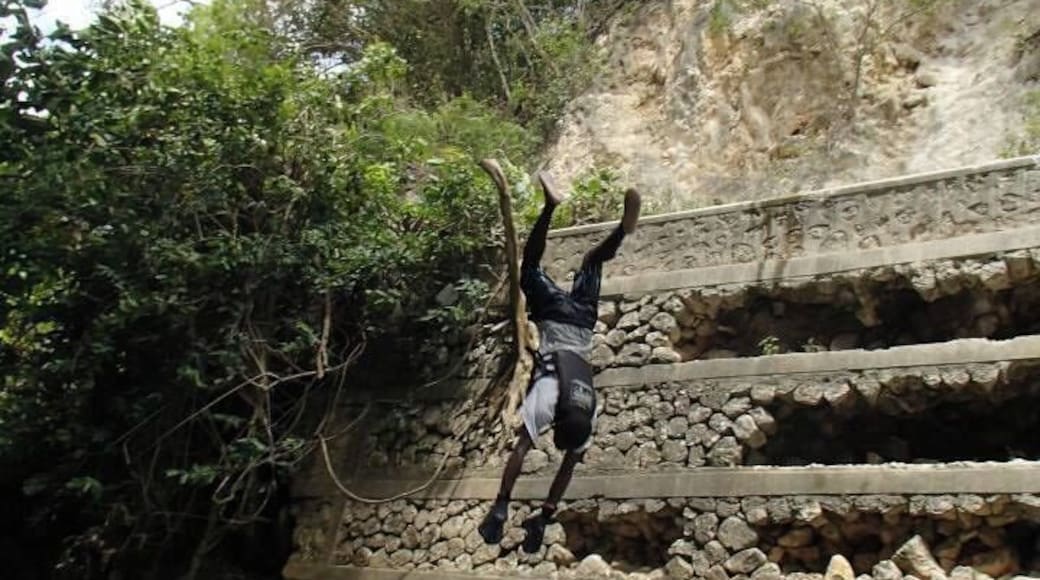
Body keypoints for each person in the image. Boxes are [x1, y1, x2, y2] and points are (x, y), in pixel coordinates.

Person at [476, 159, 641, 553]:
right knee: (530, 269)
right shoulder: (561, 406)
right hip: (561, 324)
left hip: (583, 322)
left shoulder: (587, 411)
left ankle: (610, 227)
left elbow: (566, 461)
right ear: (560, 430)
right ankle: (562, 209)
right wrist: (540, 514)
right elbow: (543, 457)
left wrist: (509, 506)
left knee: (587, 262)